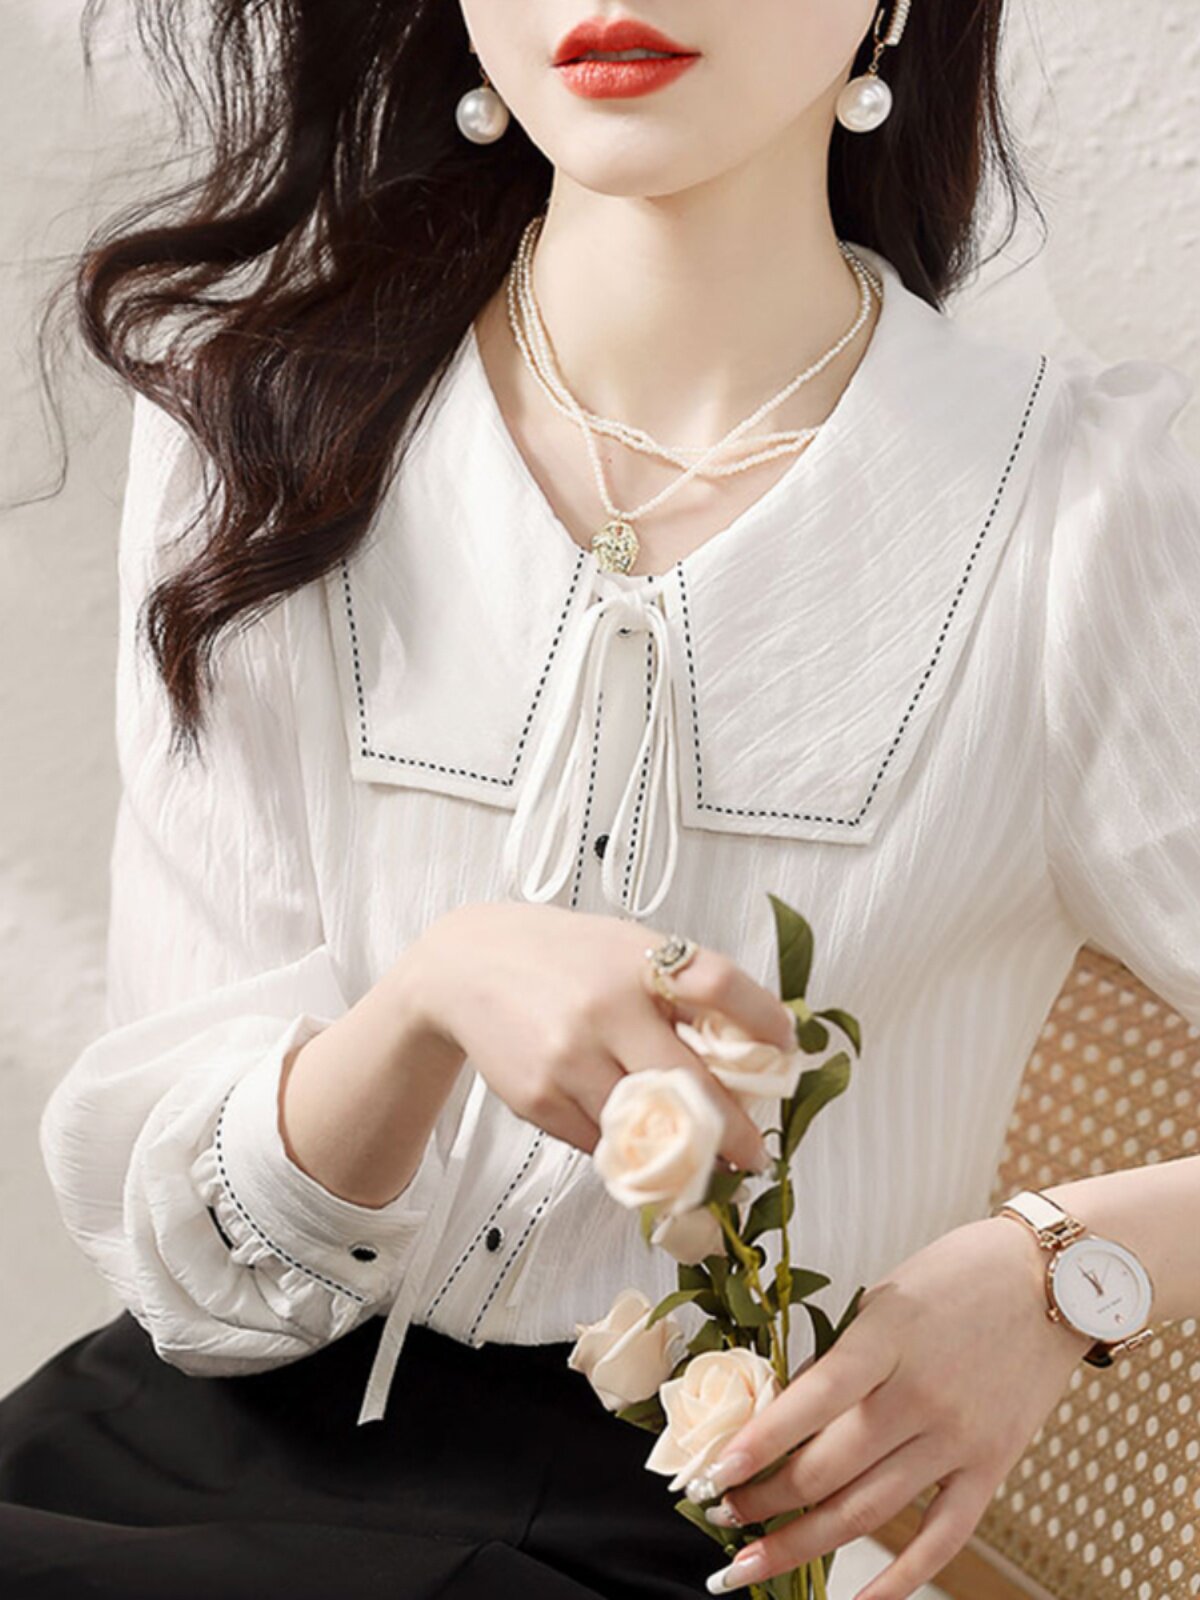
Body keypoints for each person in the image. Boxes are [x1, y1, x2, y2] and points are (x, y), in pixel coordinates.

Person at [3, 2, 1199, 1598]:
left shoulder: (1083, 512)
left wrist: (1066, 1268)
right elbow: (192, 1272)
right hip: (155, 1466)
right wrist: (428, 1001)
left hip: (682, 1533)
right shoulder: (258, 426)